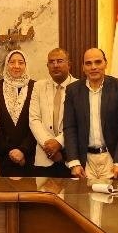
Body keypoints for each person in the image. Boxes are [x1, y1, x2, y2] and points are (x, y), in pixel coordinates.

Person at [63, 47, 118, 182]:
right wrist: (74, 161)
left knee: (113, 196)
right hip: (85, 162)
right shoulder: (73, 90)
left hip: (111, 160)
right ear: (83, 67)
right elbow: (69, 127)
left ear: (105, 63)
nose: (93, 67)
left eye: (98, 62)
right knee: (83, 196)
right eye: (88, 63)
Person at [0, 49, 37, 177]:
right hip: (2, 156)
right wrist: (9, 150)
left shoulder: (36, 87)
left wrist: (23, 150)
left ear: (26, 65)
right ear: (6, 64)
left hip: (30, 155)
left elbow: (39, 121)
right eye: (12, 62)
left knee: (29, 189)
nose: (16, 66)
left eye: (21, 62)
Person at [29, 47, 76, 176]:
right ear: (47, 66)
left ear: (69, 64)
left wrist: (59, 143)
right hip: (45, 156)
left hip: (72, 157)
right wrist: (49, 146)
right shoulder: (38, 86)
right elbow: (34, 119)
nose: (55, 65)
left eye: (60, 61)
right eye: (51, 62)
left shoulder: (79, 86)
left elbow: (80, 122)